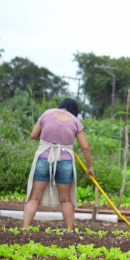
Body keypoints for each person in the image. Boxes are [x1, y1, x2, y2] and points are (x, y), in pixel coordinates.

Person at [23, 98, 94, 231]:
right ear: (75, 111)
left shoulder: (47, 113)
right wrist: (89, 167)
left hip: (44, 158)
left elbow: (33, 135)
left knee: (34, 197)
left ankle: (25, 229)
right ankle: (69, 230)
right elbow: (85, 148)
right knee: (66, 199)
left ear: (61, 105)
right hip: (65, 161)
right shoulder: (75, 121)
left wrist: (48, 139)